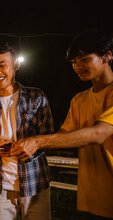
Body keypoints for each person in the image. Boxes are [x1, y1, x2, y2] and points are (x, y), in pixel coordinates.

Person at [11, 30, 113, 219]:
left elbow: (98, 134)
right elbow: (63, 136)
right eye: (74, 62)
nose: (77, 66)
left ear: (107, 56)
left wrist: (38, 142)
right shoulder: (79, 100)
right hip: (90, 200)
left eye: (83, 59)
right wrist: (20, 146)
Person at [0, 44, 54, 220]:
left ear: (15, 65)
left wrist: (19, 148)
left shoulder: (36, 98)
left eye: (2, 65)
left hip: (34, 183)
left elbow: (49, 139)